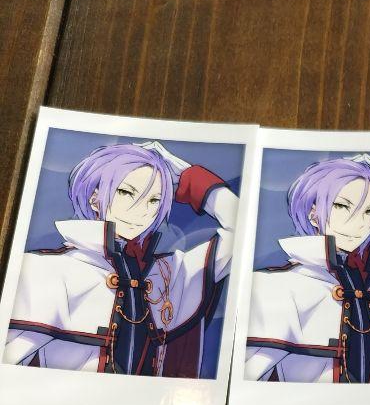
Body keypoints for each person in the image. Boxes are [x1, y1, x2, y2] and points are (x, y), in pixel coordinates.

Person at [5, 140, 236, 377]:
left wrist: (189, 178)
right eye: (126, 192)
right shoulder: (48, 269)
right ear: (94, 198)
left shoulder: (166, 273)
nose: (142, 210)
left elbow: (240, 232)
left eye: (154, 200)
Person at [245, 155, 370, 383]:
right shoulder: (277, 286)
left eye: (369, 211)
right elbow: (246, 383)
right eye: (342, 206)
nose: (358, 223)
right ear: (313, 214)